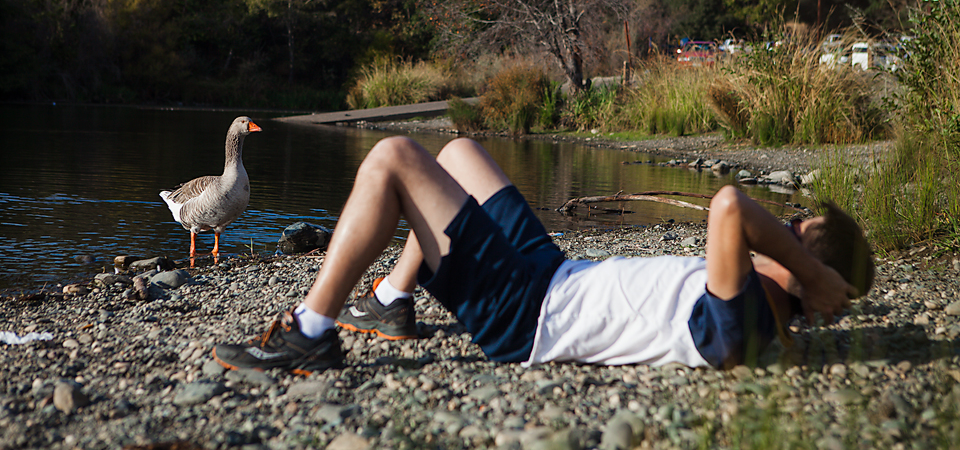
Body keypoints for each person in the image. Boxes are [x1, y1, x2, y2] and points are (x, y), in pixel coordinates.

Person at [212, 137, 873, 374]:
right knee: (459, 154)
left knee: (392, 160)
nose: (779, 227)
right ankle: (392, 301)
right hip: (555, 276)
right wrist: (808, 265)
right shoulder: (749, 305)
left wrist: (814, 274)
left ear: (809, 275)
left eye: (794, 229)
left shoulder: (747, 326)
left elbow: (729, 206)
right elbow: (738, 219)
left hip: (527, 316)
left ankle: (311, 333)